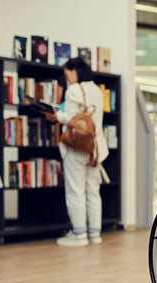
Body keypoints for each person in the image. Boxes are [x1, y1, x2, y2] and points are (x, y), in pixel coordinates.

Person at [43, 57, 109, 247]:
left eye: (67, 75)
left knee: (75, 191)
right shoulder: (96, 89)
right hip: (96, 148)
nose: (67, 79)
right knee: (93, 192)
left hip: (77, 147)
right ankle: (95, 234)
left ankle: (79, 234)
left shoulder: (74, 90)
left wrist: (55, 116)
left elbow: (71, 119)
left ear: (75, 71)